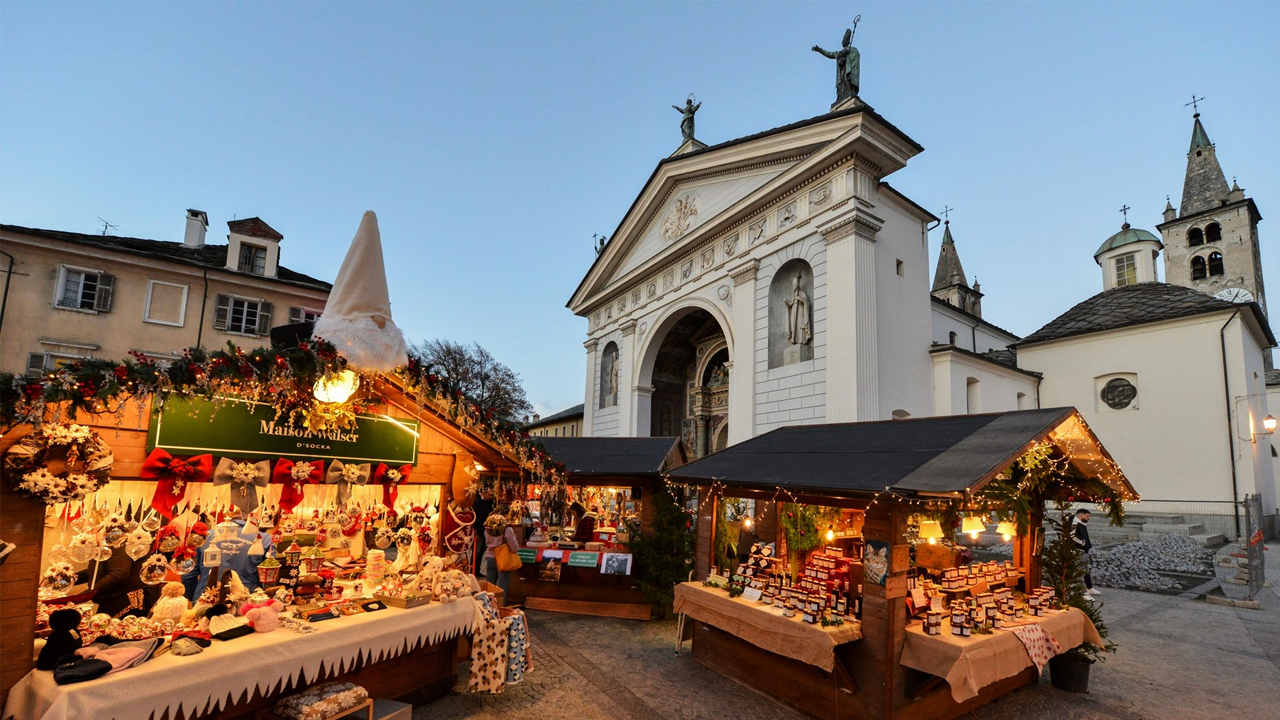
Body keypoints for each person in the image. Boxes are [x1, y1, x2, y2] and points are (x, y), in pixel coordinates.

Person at [76, 544, 158, 617]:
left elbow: (118, 574)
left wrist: (83, 596)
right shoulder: (104, 544)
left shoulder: (115, 539)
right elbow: (97, 572)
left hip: (126, 598)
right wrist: (65, 580)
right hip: (116, 597)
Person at [482, 513, 520, 596]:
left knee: (489, 586)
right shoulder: (507, 530)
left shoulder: (487, 530)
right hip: (503, 559)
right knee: (501, 587)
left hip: (489, 558)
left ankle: (488, 606)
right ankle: (500, 606)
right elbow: (514, 548)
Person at [1071, 508, 1100, 599]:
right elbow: (1071, 536)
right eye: (1087, 516)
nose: (1088, 518)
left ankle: (1089, 587)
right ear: (1081, 515)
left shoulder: (1082, 524)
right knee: (1080, 571)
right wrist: (1081, 543)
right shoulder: (1075, 524)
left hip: (1083, 550)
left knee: (1086, 570)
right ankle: (1082, 592)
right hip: (1078, 551)